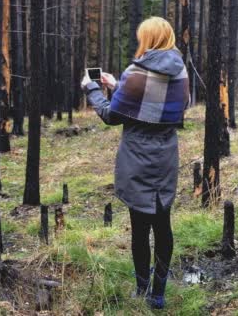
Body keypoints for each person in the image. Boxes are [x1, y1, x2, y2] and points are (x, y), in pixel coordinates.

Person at [81, 16, 189, 309]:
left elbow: (112, 116)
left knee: (140, 227)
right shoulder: (180, 71)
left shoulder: (136, 71)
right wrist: (118, 85)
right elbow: (171, 109)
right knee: (163, 223)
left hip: (137, 158)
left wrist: (92, 89)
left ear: (148, 39)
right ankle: (159, 293)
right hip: (166, 155)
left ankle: (142, 287)